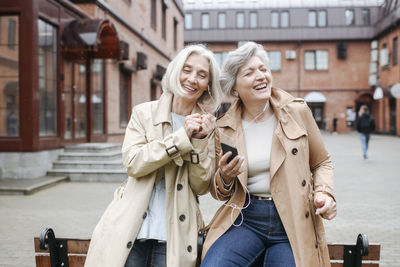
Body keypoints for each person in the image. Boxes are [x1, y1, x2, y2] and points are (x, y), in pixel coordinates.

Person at [85, 44, 223, 267]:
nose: (192, 79)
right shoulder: (143, 113)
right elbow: (133, 164)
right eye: (186, 70)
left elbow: (201, 186)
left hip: (176, 231)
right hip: (133, 225)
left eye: (202, 75)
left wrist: (197, 141)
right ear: (175, 71)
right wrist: (181, 138)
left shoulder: (208, 126)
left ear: (208, 85)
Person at [200, 42, 337, 267]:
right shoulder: (223, 128)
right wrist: (224, 175)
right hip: (246, 218)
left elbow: (322, 162)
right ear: (235, 87)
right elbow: (220, 193)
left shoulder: (297, 111)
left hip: (292, 219)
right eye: (250, 72)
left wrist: (325, 193)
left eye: (263, 69)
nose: (261, 76)